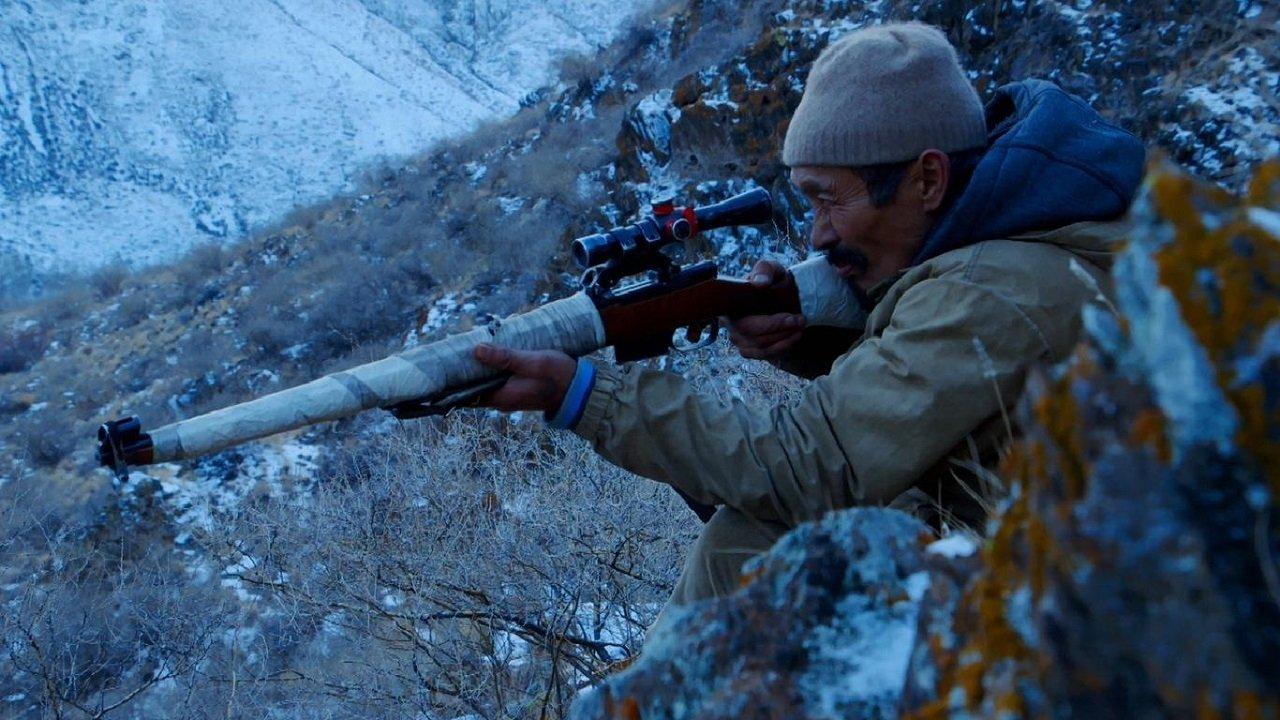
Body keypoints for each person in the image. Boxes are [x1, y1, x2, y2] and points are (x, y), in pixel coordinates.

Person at [473, 22, 1145, 607]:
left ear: (929, 179)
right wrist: (807, 331)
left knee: (756, 544)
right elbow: (945, 384)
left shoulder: (991, 292)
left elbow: (814, 467)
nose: (819, 235)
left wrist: (583, 395)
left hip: (1105, 606)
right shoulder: (1030, 226)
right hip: (1076, 549)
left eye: (831, 201)